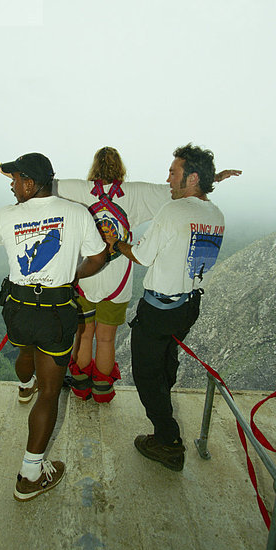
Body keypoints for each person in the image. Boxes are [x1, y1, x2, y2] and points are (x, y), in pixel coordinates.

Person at [0, 147, 240, 404]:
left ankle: (81, 386)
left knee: (84, 336)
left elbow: (39, 181)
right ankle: (102, 390)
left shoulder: (78, 189)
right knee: (107, 339)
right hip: (118, 280)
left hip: (85, 276)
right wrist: (213, 178)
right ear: (120, 169)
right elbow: (185, 189)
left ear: (94, 167)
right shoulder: (138, 193)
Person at [105, 143, 228, 472]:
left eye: (174, 172)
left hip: (160, 308)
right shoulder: (215, 215)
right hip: (189, 305)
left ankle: (167, 440)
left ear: (192, 178)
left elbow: (143, 256)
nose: (168, 178)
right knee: (166, 359)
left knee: (146, 374)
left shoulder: (173, 212)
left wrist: (116, 244)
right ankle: (165, 397)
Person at [0, 152, 106, 501]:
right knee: (50, 392)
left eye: (14, 179)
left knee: (25, 349)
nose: (11, 185)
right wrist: (72, 274)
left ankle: (24, 385)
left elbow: (2, 242)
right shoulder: (76, 213)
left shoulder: (6, 216)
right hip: (55, 310)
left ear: (30, 182)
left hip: (18, 308)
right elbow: (99, 257)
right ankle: (30, 474)